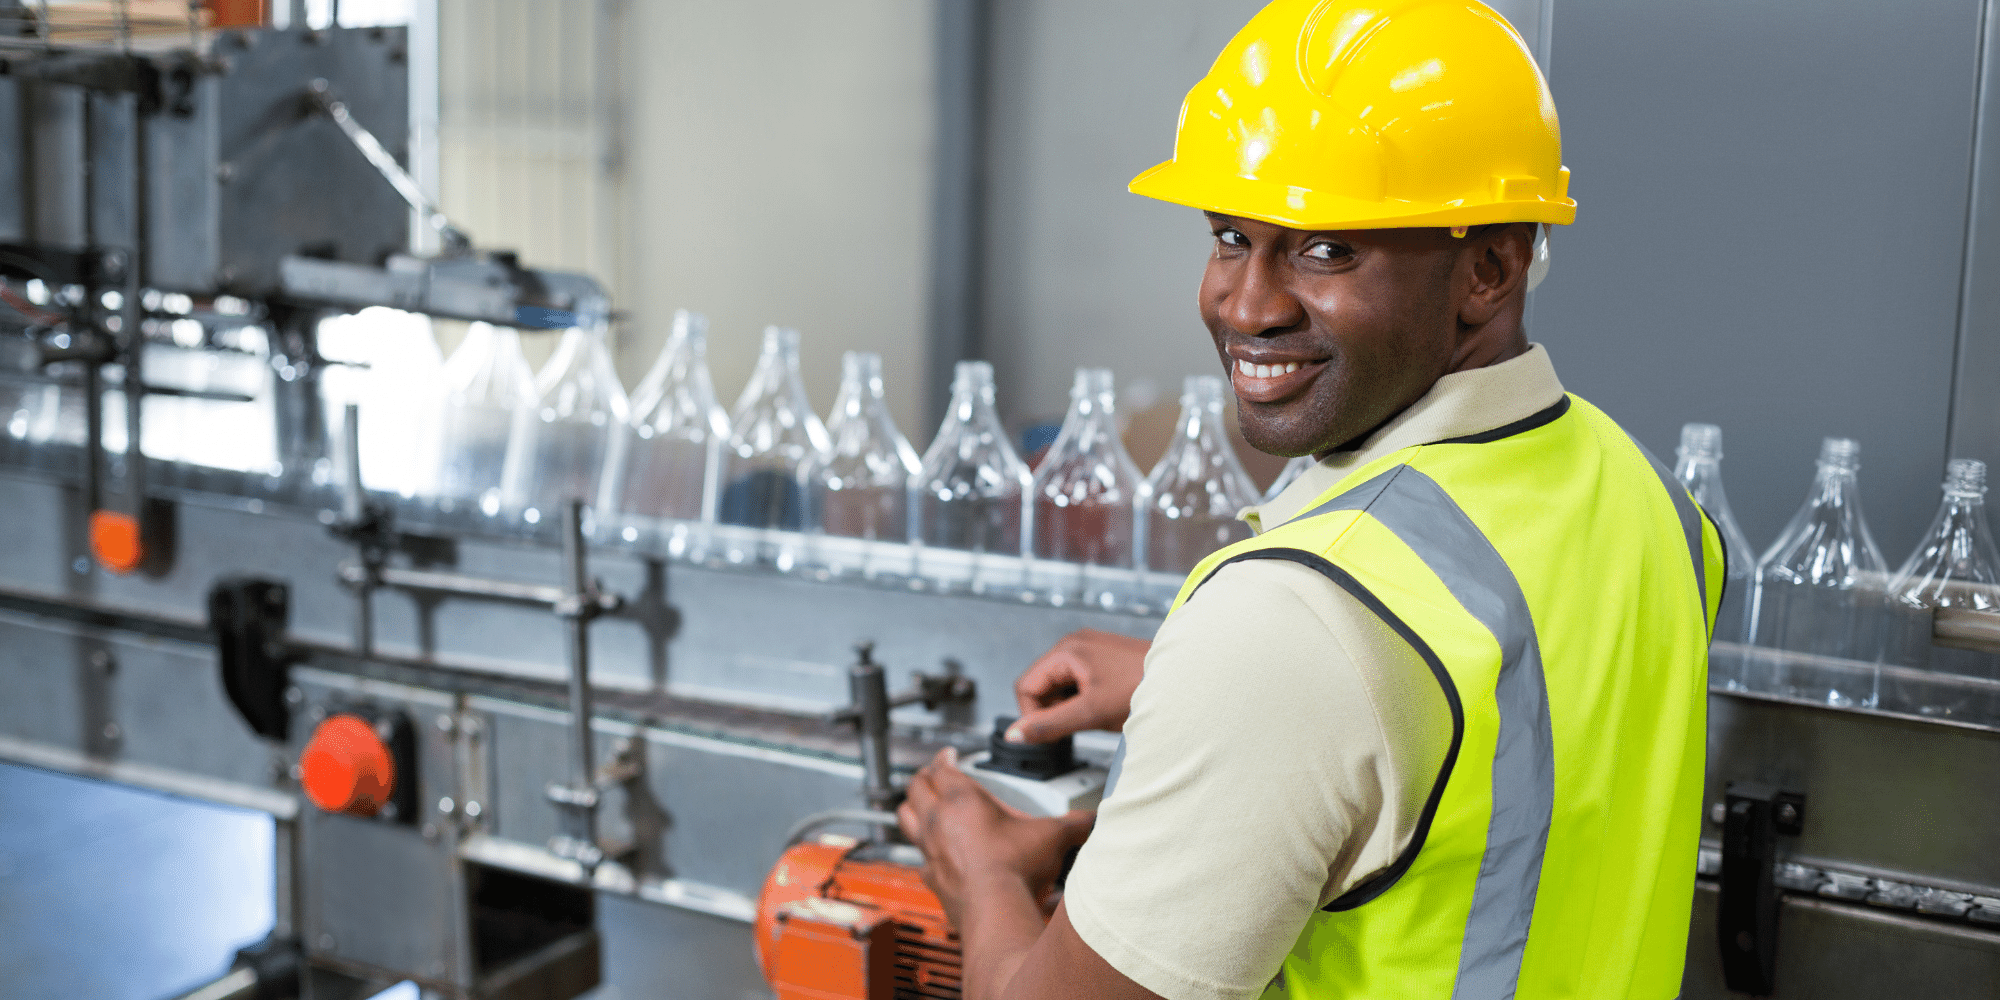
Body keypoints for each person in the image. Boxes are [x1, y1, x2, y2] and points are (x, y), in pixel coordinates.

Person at [896, 2, 1723, 998]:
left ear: (1487, 267)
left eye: (1326, 250)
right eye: (1230, 236)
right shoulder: (1654, 506)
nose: (1247, 306)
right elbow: (1508, 723)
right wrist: (1190, 680)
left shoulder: (1290, 629)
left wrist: (980, 875)